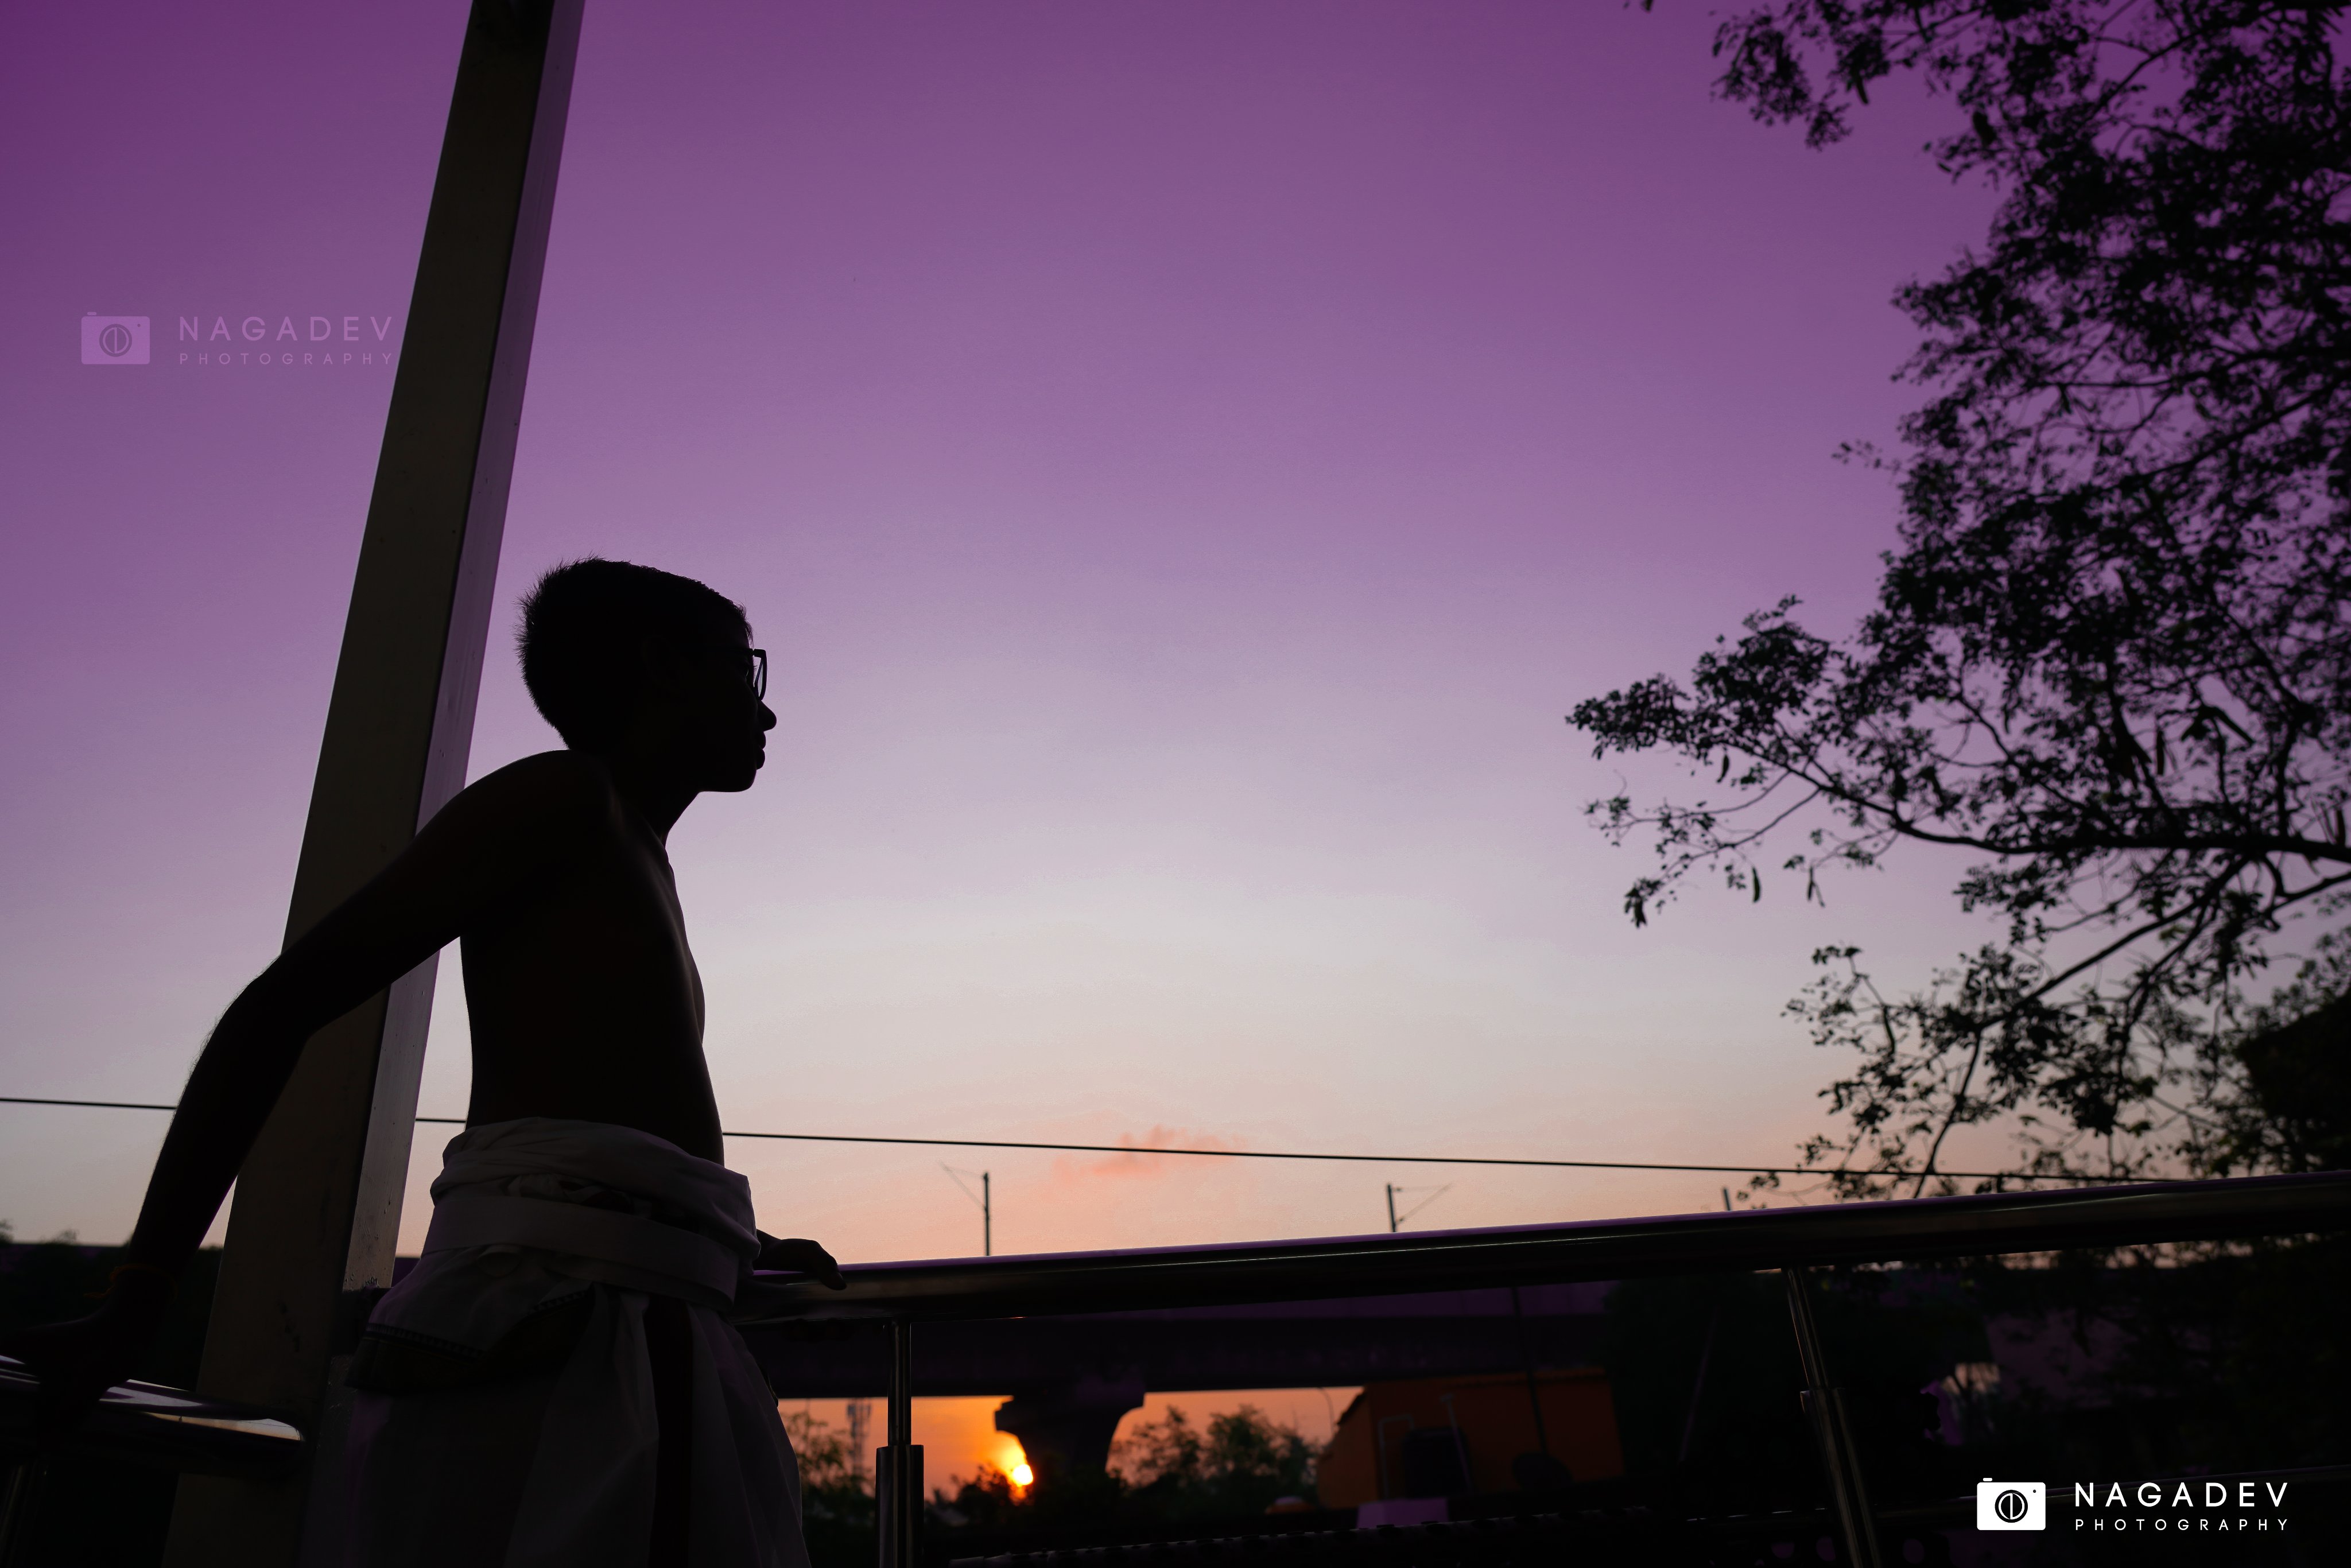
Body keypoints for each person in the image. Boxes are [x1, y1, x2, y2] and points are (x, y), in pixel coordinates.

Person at [2, 558, 843, 1567]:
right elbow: (276, 1011)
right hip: (558, 1332)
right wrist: (139, 1295)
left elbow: (606, 1107)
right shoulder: (562, 798)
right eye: (741, 670)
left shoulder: (623, 843)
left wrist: (709, 1234)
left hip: (628, 1311)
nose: (768, 713)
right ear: (663, 668)